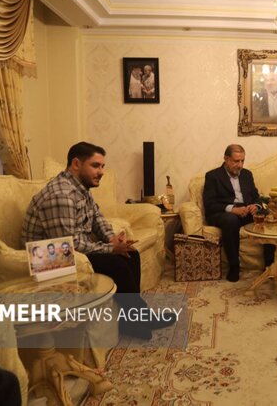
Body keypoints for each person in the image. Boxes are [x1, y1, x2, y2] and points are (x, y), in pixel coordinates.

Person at [22, 141, 173, 339]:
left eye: (102, 166)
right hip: (47, 258)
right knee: (117, 264)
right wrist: (110, 249)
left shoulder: (80, 189)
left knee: (130, 254)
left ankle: (133, 319)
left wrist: (113, 239)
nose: (101, 172)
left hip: (69, 250)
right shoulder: (61, 195)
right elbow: (67, 246)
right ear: (76, 164)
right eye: (95, 166)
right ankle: (136, 320)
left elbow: (97, 218)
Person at [203, 144, 275, 282]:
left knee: (266, 215)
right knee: (231, 220)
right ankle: (234, 266)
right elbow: (210, 204)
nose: (240, 165)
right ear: (226, 159)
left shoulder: (247, 174)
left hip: (246, 210)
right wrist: (232, 209)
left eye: (242, 161)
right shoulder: (213, 176)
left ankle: (269, 264)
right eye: (236, 161)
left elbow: (256, 196)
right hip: (223, 212)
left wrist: (255, 206)